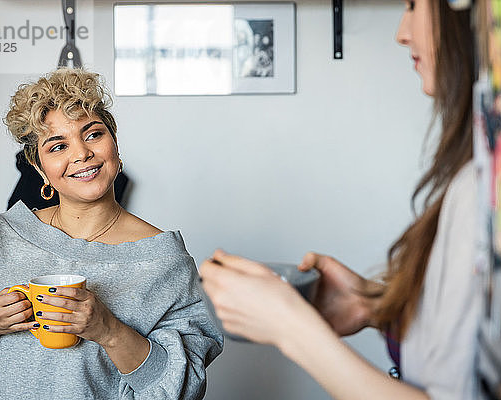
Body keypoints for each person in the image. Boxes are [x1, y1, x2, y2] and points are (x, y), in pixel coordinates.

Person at [200, 0, 481, 399]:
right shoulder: (478, 171)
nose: (402, 32)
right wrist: (374, 305)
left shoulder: (488, 188)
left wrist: (292, 328)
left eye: (415, 6)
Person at [0, 68, 223, 399]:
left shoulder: (165, 261)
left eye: (92, 134)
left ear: (115, 143)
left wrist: (109, 331)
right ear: (39, 168)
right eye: (58, 146)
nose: (81, 154)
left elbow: (184, 387)